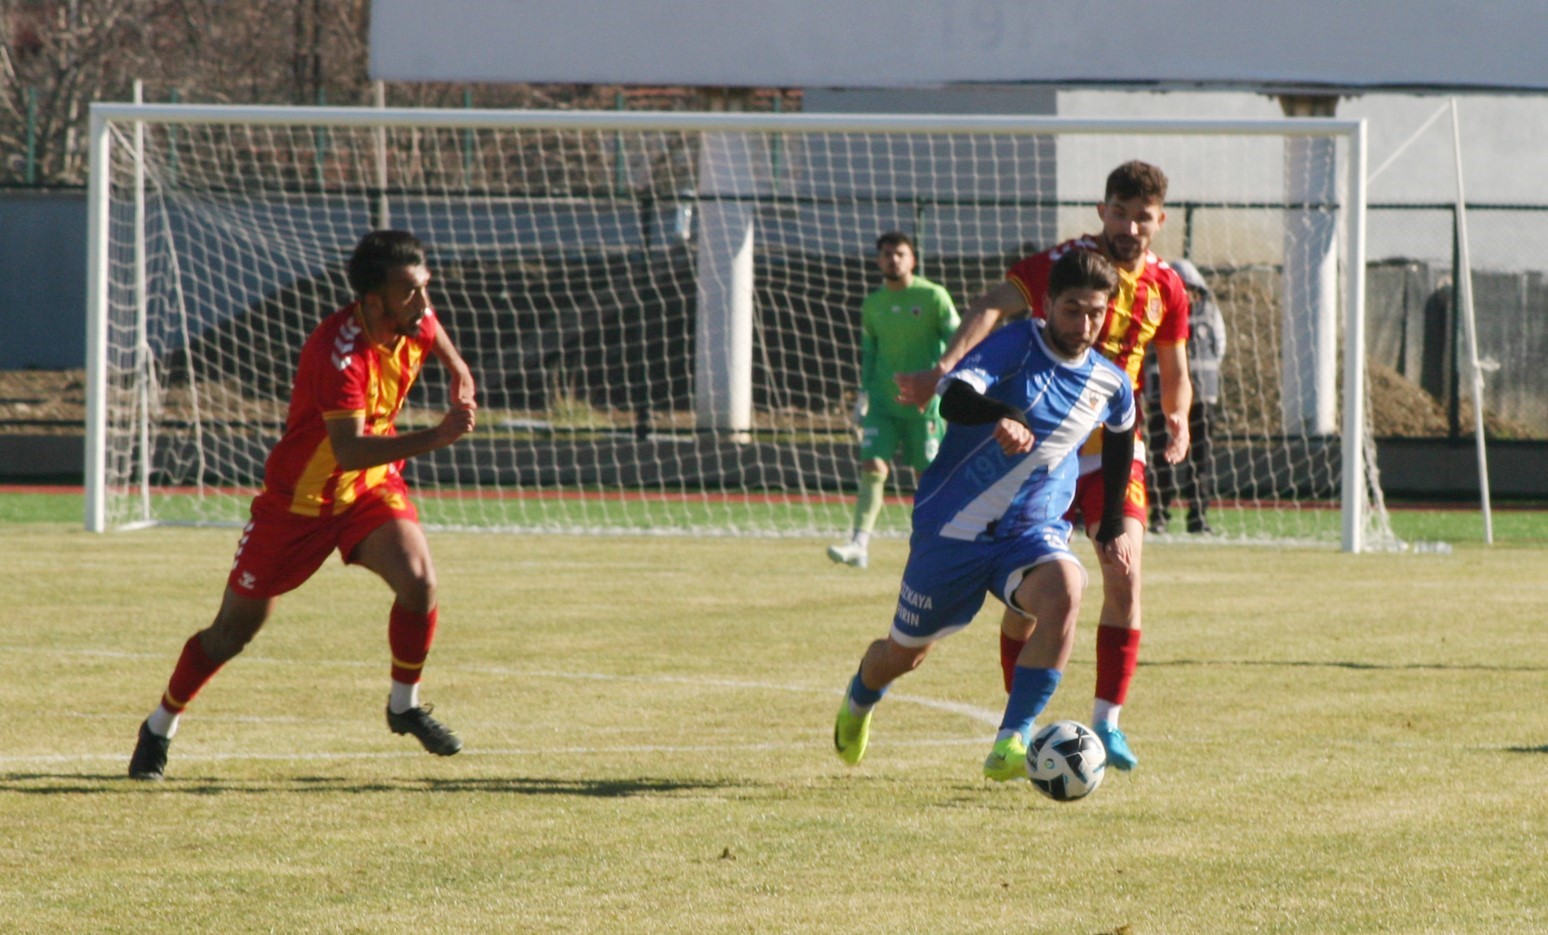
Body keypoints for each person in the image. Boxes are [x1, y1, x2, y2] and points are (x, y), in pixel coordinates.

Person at [128, 230, 479, 781]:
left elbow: (434, 333)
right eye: (409, 291)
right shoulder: (338, 355)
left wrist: (459, 371)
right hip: (298, 504)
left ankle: (404, 706)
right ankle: (159, 725)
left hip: (367, 490)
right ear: (371, 299)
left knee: (420, 581)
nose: (423, 302)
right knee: (230, 635)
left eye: (424, 288)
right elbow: (349, 448)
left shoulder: (413, 318)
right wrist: (435, 437)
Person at [895, 160, 1192, 772]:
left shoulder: (1168, 286)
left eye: (1144, 216)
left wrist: (1178, 417)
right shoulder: (1064, 264)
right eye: (1120, 211)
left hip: (1114, 443)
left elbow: (1175, 369)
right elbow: (991, 305)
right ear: (1102, 210)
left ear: (1160, 222)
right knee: (1031, 597)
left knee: (1124, 571)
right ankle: (1019, 719)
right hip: (1043, 446)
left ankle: (1108, 723)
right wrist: (945, 373)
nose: (1130, 226)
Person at [833, 249, 1137, 781]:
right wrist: (1006, 414)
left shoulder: (1109, 380)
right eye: (1072, 310)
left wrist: (1110, 523)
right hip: (953, 531)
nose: (1084, 324)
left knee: (1068, 586)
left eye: (1095, 312)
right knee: (905, 654)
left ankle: (1011, 740)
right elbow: (954, 398)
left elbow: (1121, 435)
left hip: (1029, 532)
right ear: (1046, 305)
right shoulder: (1016, 345)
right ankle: (860, 698)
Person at [827, 231, 960, 570]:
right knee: (872, 467)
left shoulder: (934, 297)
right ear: (878, 260)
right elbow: (869, 352)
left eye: (900, 253)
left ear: (912, 259)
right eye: (886, 254)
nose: (893, 259)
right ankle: (859, 543)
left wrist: (949, 384)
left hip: (923, 405)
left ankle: (936, 544)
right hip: (883, 406)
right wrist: (863, 394)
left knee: (927, 477)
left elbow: (958, 341)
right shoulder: (872, 304)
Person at [1145, 258, 1226, 535]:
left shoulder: (1210, 312)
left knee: (1200, 458)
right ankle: (1159, 516)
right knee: (1160, 456)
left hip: (1202, 398)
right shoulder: (1153, 310)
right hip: (1160, 396)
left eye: (1187, 287)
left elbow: (1219, 345)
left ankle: (1198, 517)